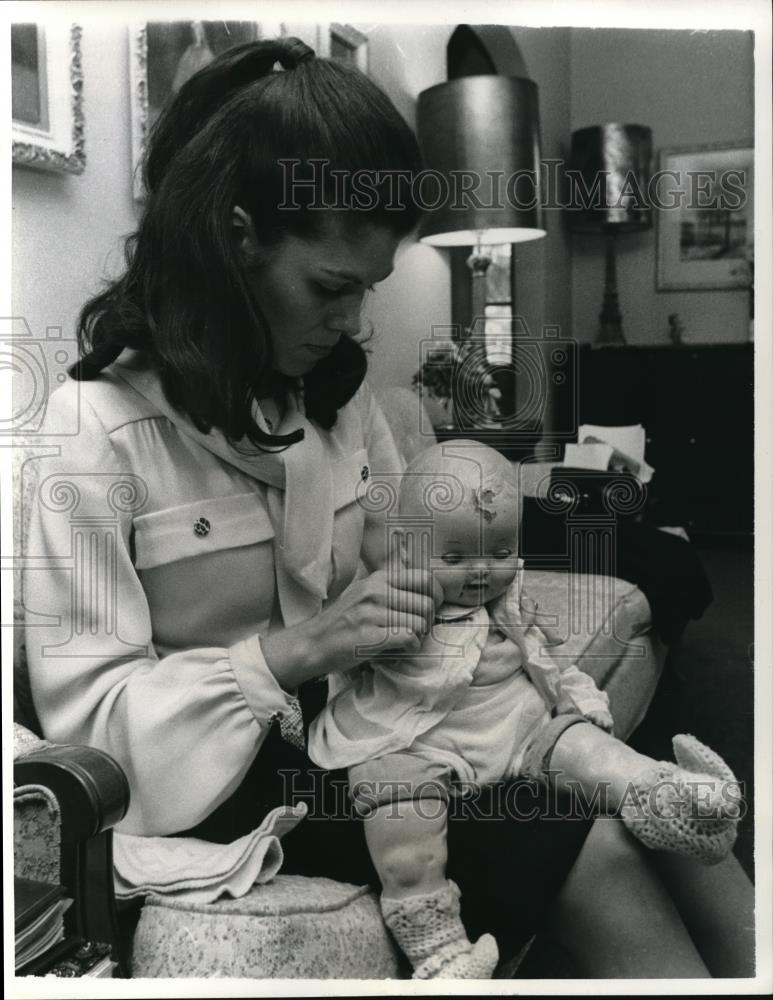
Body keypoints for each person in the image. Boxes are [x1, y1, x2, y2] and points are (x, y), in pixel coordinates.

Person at [22, 37, 753, 979]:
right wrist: (301, 648)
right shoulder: (94, 429)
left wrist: (466, 595)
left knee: (644, 808)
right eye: (331, 287)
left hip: (380, 719)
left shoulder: (333, 396)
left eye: (366, 290)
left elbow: (401, 546)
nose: (354, 323)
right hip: (240, 784)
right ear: (234, 237)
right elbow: (87, 731)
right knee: (600, 833)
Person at [309, 441, 742, 978]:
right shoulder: (392, 599)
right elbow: (345, 666)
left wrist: (575, 699)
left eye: (499, 552)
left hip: (514, 731)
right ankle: (439, 950)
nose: (481, 572)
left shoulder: (507, 601)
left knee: (581, 743)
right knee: (400, 823)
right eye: (455, 557)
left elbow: (542, 656)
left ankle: (663, 794)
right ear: (406, 549)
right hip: (418, 744)